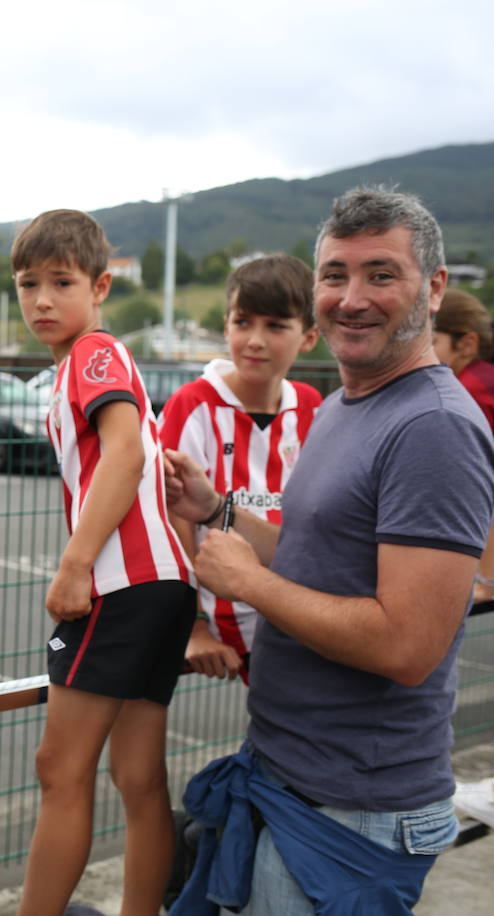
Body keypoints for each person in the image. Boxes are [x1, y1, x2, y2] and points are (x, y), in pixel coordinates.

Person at [165, 187, 494, 914]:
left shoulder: (434, 429)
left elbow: (406, 645)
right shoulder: (348, 404)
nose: (351, 298)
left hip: (350, 812)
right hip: (292, 781)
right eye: (335, 275)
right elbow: (318, 558)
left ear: (434, 288)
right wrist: (218, 510)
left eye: (382, 275)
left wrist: (250, 585)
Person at [11, 210, 195, 916]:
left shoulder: (94, 353)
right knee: (138, 776)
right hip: (165, 584)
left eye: (62, 282)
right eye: (28, 284)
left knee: (59, 769)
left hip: (121, 583)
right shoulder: (84, 363)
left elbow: (126, 455)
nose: (42, 300)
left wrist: (74, 565)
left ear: (100, 286)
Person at [159, 255, 322, 682]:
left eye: (275, 326)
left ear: (309, 336)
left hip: (298, 614)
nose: (255, 340)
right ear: (226, 326)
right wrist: (192, 627)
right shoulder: (192, 404)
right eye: (243, 322)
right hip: (219, 623)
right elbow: (172, 520)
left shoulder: (312, 406)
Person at [432, 287, 494, 602]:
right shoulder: (483, 377)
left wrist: (486, 582)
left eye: (432, 342)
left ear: (467, 343)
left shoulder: (470, 389)